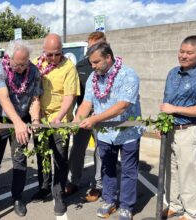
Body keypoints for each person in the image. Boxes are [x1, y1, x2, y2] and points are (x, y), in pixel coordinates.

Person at [74, 42, 143, 220]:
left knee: (128, 170)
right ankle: (109, 200)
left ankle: (127, 206)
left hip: (128, 132)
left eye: (96, 62)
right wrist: (77, 120)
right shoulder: (93, 78)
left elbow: (122, 106)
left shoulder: (128, 74)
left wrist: (94, 119)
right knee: (107, 169)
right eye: (91, 63)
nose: (93, 66)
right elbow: (86, 103)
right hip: (105, 134)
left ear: (108, 57)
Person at [0, 40, 43, 217]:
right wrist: (17, 123)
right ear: (9, 58)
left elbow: (35, 98)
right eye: (19, 64)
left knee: (20, 160)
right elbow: (3, 98)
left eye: (25, 63)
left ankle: (17, 197)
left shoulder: (33, 70)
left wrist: (34, 119)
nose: (22, 67)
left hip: (23, 118)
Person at [160, 35, 196, 220]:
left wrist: (174, 109)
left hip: (188, 131)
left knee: (187, 174)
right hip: (170, 131)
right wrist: (163, 122)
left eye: (189, 53)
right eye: (181, 51)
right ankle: (175, 206)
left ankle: (191, 213)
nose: (183, 56)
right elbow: (166, 102)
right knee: (172, 172)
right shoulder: (172, 72)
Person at [31, 33, 80, 216]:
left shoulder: (68, 67)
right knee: (42, 155)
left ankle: (58, 195)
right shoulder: (37, 63)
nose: (52, 58)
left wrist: (59, 116)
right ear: (43, 51)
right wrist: (37, 114)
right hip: (41, 119)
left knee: (60, 158)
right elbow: (32, 91)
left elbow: (70, 95)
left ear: (62, 51)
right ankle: (43, 187)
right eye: (49, 54)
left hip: (60, 121)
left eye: (57, 54)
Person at [65, 31, 106, 202]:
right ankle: (73, 180)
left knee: (100, 151)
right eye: (91, 47)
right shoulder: (80, 66)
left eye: (98, 46)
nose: (94, 50)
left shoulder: (111, 66)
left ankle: (97, 185)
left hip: (103, 116)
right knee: (77, 150)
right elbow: (74, 94)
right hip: (83, 115)